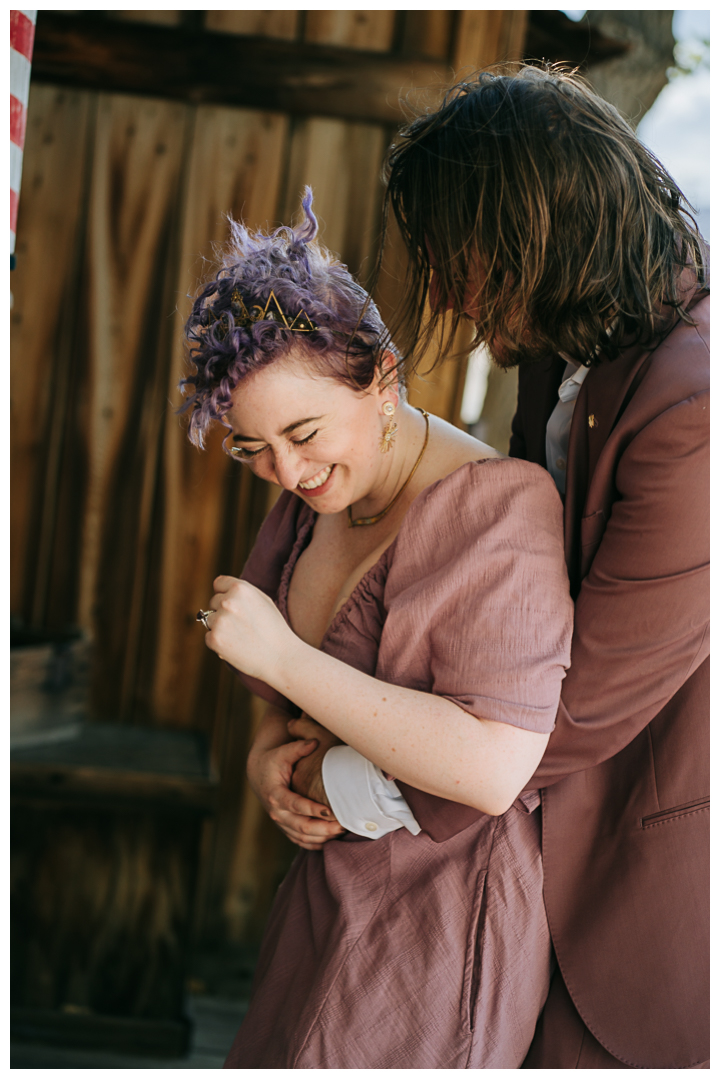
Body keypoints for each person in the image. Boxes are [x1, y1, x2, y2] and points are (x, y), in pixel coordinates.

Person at [180, 190, 574, 1068]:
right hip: (322, 897)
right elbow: (277, 698)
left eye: (304, 431)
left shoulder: (500, 508)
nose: (287, 469)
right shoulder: (313, 497)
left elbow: (491, 765)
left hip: (439, 921)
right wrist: (264, 759)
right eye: (253, 451)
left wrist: (281, 653)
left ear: (384, 380)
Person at [377, 65, 709, 1069]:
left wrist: (362, 783)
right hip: (517, 854)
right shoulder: (565, 360)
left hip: (634, 885)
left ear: (531, 232)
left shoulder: (696, 411)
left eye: (453, 255)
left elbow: (582, 704)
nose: (439, 290)